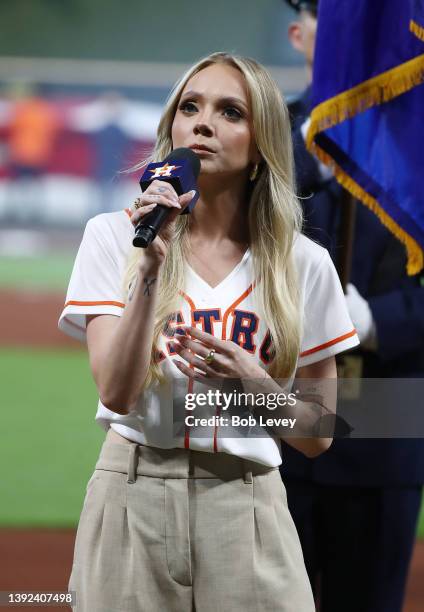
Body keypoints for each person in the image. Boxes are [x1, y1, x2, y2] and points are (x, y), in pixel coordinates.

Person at [59, 51, 359, 612]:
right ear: (171, 124)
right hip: (133, 491)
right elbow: (117, 393)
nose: (203, 122)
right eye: (190, 107)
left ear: (260, 144)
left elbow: (318, 434)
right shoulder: (114, 237)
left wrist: (258, 388)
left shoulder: (303, 263)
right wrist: (148, 267)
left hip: (247, 501)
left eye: (230, 112)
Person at [281, 2, 424, 611]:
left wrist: (377, 320)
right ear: (300, 35)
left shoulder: (418, 140)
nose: (350, 38)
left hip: (385, 417)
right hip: (276, 416)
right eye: (333, 22)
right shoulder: (261, 132)